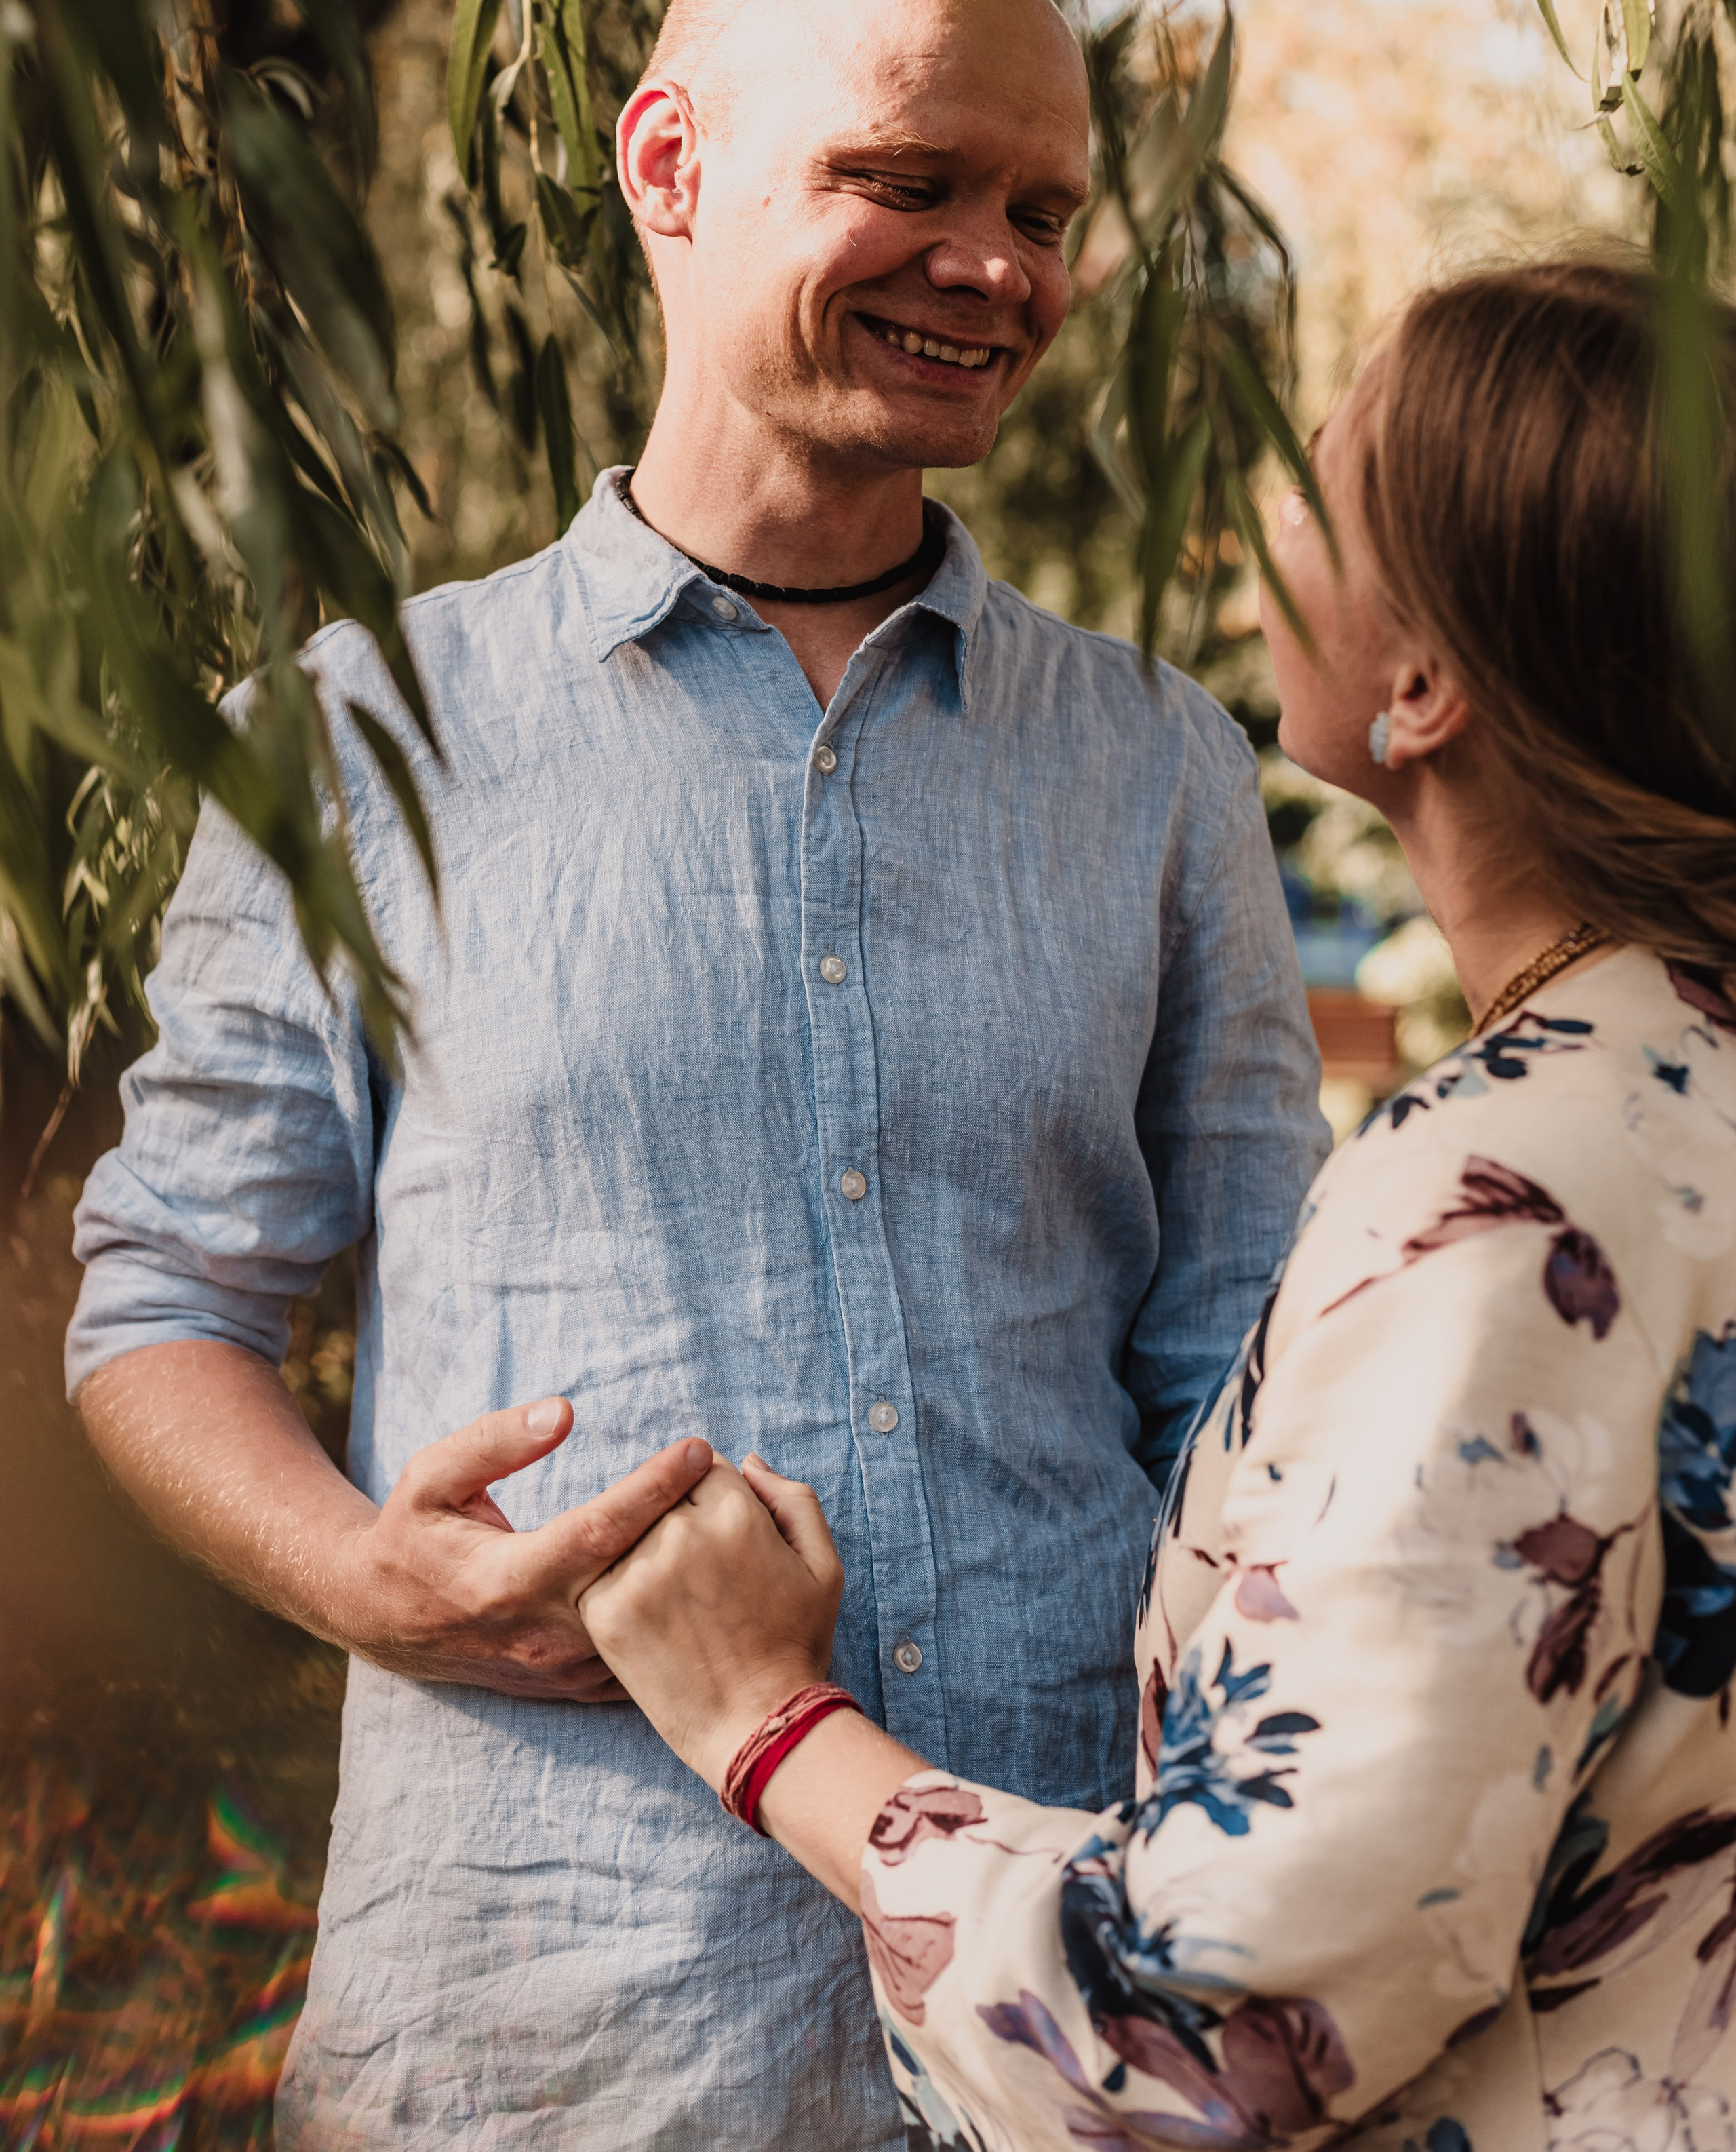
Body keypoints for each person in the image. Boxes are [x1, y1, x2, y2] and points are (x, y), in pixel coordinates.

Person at [64, 0, 1327, 2149]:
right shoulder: (349, 749)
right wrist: (365, 1572)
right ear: (671, 166)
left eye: (1042, 209)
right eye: (911, 181)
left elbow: (1248, 1387)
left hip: (1057, 2016)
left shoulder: (1161, 770)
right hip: (550, 2024)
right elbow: (161, 1304)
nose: (1000, 266)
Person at [581, 255, 1736, 2151]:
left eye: (1321, 477)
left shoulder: (1513, 1210)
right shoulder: (1685, 1085)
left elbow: (1212, 2029)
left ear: (1428, 679)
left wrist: (761, 1721)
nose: (1260, 507)